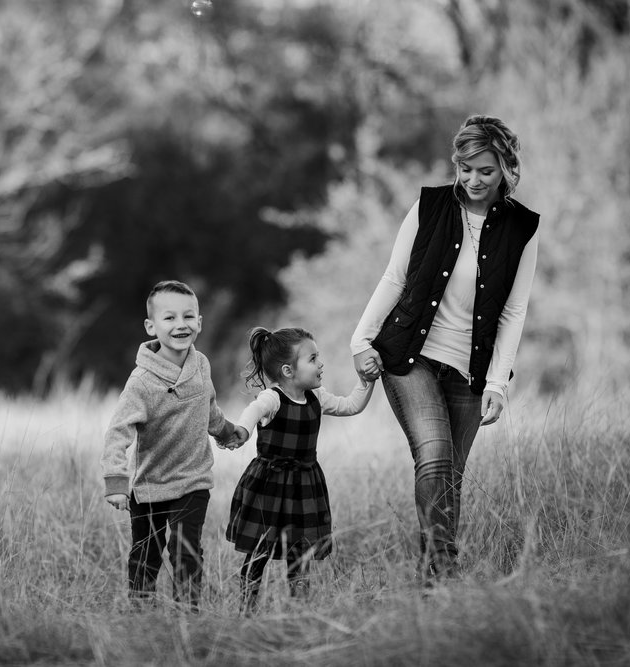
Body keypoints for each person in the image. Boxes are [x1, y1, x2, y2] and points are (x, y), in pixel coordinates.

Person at [350, 114, 539, 583]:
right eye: (465, 168)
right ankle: (444, 570)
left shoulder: (522, 228)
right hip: (410, 357)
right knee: (434, 454)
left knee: (451, 474)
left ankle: (433, 584)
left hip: (471, 370)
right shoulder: (429, 207)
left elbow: (514, 312)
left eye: (486, 171)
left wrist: (498, 382)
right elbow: (394, 278)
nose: (473, 180)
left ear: (507, 170)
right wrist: (360, 340)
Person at [101, 279, 248, 609]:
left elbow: (207, 407)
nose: (180, 325)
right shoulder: (142, 381)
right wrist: (115, 482)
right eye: (169, 318)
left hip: (193, 480)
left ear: (199, 321)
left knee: (187, 551)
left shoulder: (201, 364)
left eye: (188, 316)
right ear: (151, 326)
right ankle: (141, 610)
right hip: (150, 484)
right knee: (147, 552)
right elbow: (117, 432)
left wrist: (226, 432)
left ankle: (188, 615)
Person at [225, 326, 374, 611]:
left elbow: (351, 405)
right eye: (313, 358)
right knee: (260, 549)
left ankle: (299, 607)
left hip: (304, 486)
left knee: (300, 549)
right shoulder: (273, 398)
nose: (321, 364)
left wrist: (366, 382)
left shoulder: (317, 398)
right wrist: (243, 430)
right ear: (288, 371)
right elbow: (253, 411)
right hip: (269, 484)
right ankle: (247, 606)